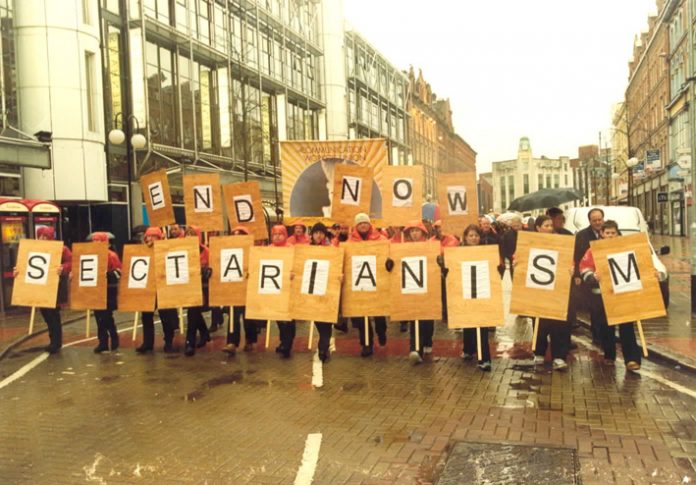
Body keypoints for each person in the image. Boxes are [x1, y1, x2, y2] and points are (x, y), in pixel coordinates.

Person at [579, 220, 642, 371]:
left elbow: (639, 264)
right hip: (602, 295)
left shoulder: (625, 248)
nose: (610, 236)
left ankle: (632, 359)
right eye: (607, 233)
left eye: (613, 233)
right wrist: (592, 277)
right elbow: (584, 267)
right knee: (606, 327)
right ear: (602, 234)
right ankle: (609, 355)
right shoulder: (593, 251)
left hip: (623, 294)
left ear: (617, 233)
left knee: (627, 326)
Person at [15, 226, 71, 354]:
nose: (42, 238)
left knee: (53, 315)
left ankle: (56, 342)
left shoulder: (61, 249)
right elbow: (24, 265)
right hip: (40, 288)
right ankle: (53, 340)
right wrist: (18, 271)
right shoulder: (33, 249)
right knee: (46, 315)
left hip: (53, 288)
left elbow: (71, 262)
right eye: (41, 236)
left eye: (45, 236)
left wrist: (63, 268)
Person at [530, 216, 570, 371]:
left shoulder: (560, 242)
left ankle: (559, 356)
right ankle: (539, 352)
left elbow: (568, 260)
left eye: (550, 225)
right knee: (539, 322)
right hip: (537, 288)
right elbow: (520, 257)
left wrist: (570, 269)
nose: (549, 228)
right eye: (546, 225)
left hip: (556, 288)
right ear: (538, 228)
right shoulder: (530, 242)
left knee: (557, 323)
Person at [347, 213, 389, 357]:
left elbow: (388, 257)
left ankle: (381, 330)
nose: (363, 225)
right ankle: (366, 343)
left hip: (377, 281)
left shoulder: (382, 240)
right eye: (360, 223)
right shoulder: (350, 243)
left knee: (378, 314)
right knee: (361, 316)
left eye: (365, 223)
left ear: (369, 224)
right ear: (356, 226)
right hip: (359, 283)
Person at [136, 227, 180, 354]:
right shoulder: (141, 251)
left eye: (153, 236)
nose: (149, 239)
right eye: (148, 236)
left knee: (165, 316)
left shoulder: (166, 250)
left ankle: (169, 342)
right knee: (146, 316)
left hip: (163, 287)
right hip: (149, 288)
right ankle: (148, 342)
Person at [459, 224, 493, 371]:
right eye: (471, 235)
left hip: (482, 291)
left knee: (481, 325)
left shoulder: (486, 251)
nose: (474, 238)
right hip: (466, 291)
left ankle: (484, 358)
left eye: (476, 235)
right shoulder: (458, 253)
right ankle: (468, 349)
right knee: (468, 323)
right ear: (465, 237)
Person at [401, 220, 436, 365]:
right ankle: (415, 349)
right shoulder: (403, 248)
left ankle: (428, 341)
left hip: (427, 287)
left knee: (427, 320)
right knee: (414, 318)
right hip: (411, 286)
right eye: (412, 231)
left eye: (417, 230)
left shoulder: (430, 247)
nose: (415, 233)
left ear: (422, 232)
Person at [223, 226, 261, 354]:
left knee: (247, 316)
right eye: (234, 235)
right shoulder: (228, 251)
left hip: (248, 287)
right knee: (233, 315)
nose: (236, 237)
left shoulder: (253, 251)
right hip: (233, 286)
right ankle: (232, 342)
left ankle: (250, 339)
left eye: (239, 235)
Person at [573, 208, 605, 343]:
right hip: (590, 278)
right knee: (595, 308)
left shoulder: (610, 233)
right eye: (594, 220)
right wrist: (577, 275)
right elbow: (576, 256)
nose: (598, 222)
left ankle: (606, 335)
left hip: (608, 278)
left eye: (600, 219)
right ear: (590, 221)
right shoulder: (582, 236)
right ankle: (597, 336)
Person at [308, 222, 336, 362]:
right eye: (316, 232)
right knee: (318, 320)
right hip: (312, 289)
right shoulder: (305, 250)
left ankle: (323, 347)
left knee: (326, 320)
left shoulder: (331, 249)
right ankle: (323, 344)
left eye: (321, 233)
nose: (319, 235)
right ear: (312, 235)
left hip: (327, 288)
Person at [91, 232, 122, 353]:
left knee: (106, 316)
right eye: (94, 241)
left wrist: (106, 275)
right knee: (99, 316)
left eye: (98, 241)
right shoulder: (90, 256)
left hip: (108, 290)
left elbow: (118, 273)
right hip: (96, 290)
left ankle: (113, 337)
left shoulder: (111, 256)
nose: (95, 243)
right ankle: (103, 341)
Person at [183, 225, 212, 356]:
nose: (189, 237)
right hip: (187, 286)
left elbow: (212, 267)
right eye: (187, 234)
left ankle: (190, 342)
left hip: (201, 287)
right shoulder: (181, 250)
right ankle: (205, 334)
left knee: (192, 312)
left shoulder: (205, 251)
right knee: (193, 312)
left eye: (192, 234)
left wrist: (206, 270)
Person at [270, 224, 296, 358]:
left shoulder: (291, 249)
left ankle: (287, 342)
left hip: (288, 288)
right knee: (279, 317)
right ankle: (284, 341)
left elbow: (297, 265)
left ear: (285, 235)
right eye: (275, 234)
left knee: (288, 317)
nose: (278, 236)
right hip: (274, 288)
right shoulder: (268, 250)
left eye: (280, 234)